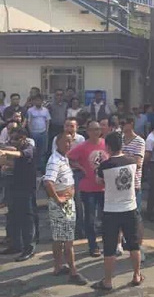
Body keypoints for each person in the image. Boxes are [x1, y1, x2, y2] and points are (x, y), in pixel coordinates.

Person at [92, 132, 143, 291]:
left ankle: (108, 281)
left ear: (107, 147)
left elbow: (99, 182)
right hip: (130, 208)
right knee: (134, 245)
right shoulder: (132, 161)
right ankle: (137, 275)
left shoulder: (105, 166)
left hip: (111, 210)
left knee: (109, 248)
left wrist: (96, 170)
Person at [44, 132, 87, 285]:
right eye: (65, 142)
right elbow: (48, 182)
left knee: (59, 237)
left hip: (66, 202)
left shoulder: (64, 158)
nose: (68, 144)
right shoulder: (55, 161)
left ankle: (58, 267)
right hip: (62, 205)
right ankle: (73, 272)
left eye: (70, 142)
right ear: (58, 143)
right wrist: (58, 198)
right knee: (68, 240)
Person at [68, 120, 108, 257]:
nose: (96, 132)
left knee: (106, 217)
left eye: (98, 129)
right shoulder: (82, 146)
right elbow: (68, 157)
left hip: (105, 188)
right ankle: (93, 245)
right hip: (88, 188)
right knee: (90, 218)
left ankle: (108, 243)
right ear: (88, 131)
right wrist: (80, 167)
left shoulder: (106, 144)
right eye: (93, 129)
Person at [0, 129, 37, 261]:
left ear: (23, 138)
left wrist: (5, 152)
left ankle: (29, 248)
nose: (13, 141)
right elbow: (14, 162)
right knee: (13, 217)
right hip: (14, 187)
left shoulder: (29, 148)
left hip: (26, 189)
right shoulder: (15, 149)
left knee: (27, 219)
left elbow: (22, 155)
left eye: (16, 139)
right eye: (11, 139)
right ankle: (16, 245)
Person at [52, 118, 85, 238]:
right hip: (63, 174)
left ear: (77, 127)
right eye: (67, 126)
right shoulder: (57, 139)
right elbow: (56, 156)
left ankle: (80, 230)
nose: (69, 128)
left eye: (72, 126)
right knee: (65, 201)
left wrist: (72, 161)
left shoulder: (81, 139)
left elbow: (82, 157)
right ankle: (67, 229)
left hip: (77, 173)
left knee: (78, 202)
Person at [121, 116, 146, 258]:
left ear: (131, 124)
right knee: (121, 214)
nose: (122, 126)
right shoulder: (120, 139)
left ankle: (139, 247)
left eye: (124, 123)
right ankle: (122, 243)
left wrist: (121, 159)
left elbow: (138, 163)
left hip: (134, 184)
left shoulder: (139, 141)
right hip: (119, 184)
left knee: (136, 216)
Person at [26, 94, 51, 173]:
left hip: (43, 133)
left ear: (42, 101)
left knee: (43, 151)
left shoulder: (45, 110)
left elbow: (47, 121)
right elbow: (28, 121)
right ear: (34, 101)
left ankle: (41, 169)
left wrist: (46, 131)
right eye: (36, 100)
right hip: (34, 133)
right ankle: (34, 168)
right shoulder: (30, 110)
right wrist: (30, 131)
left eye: (40, 100)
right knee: (34, 151)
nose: (38, 102)